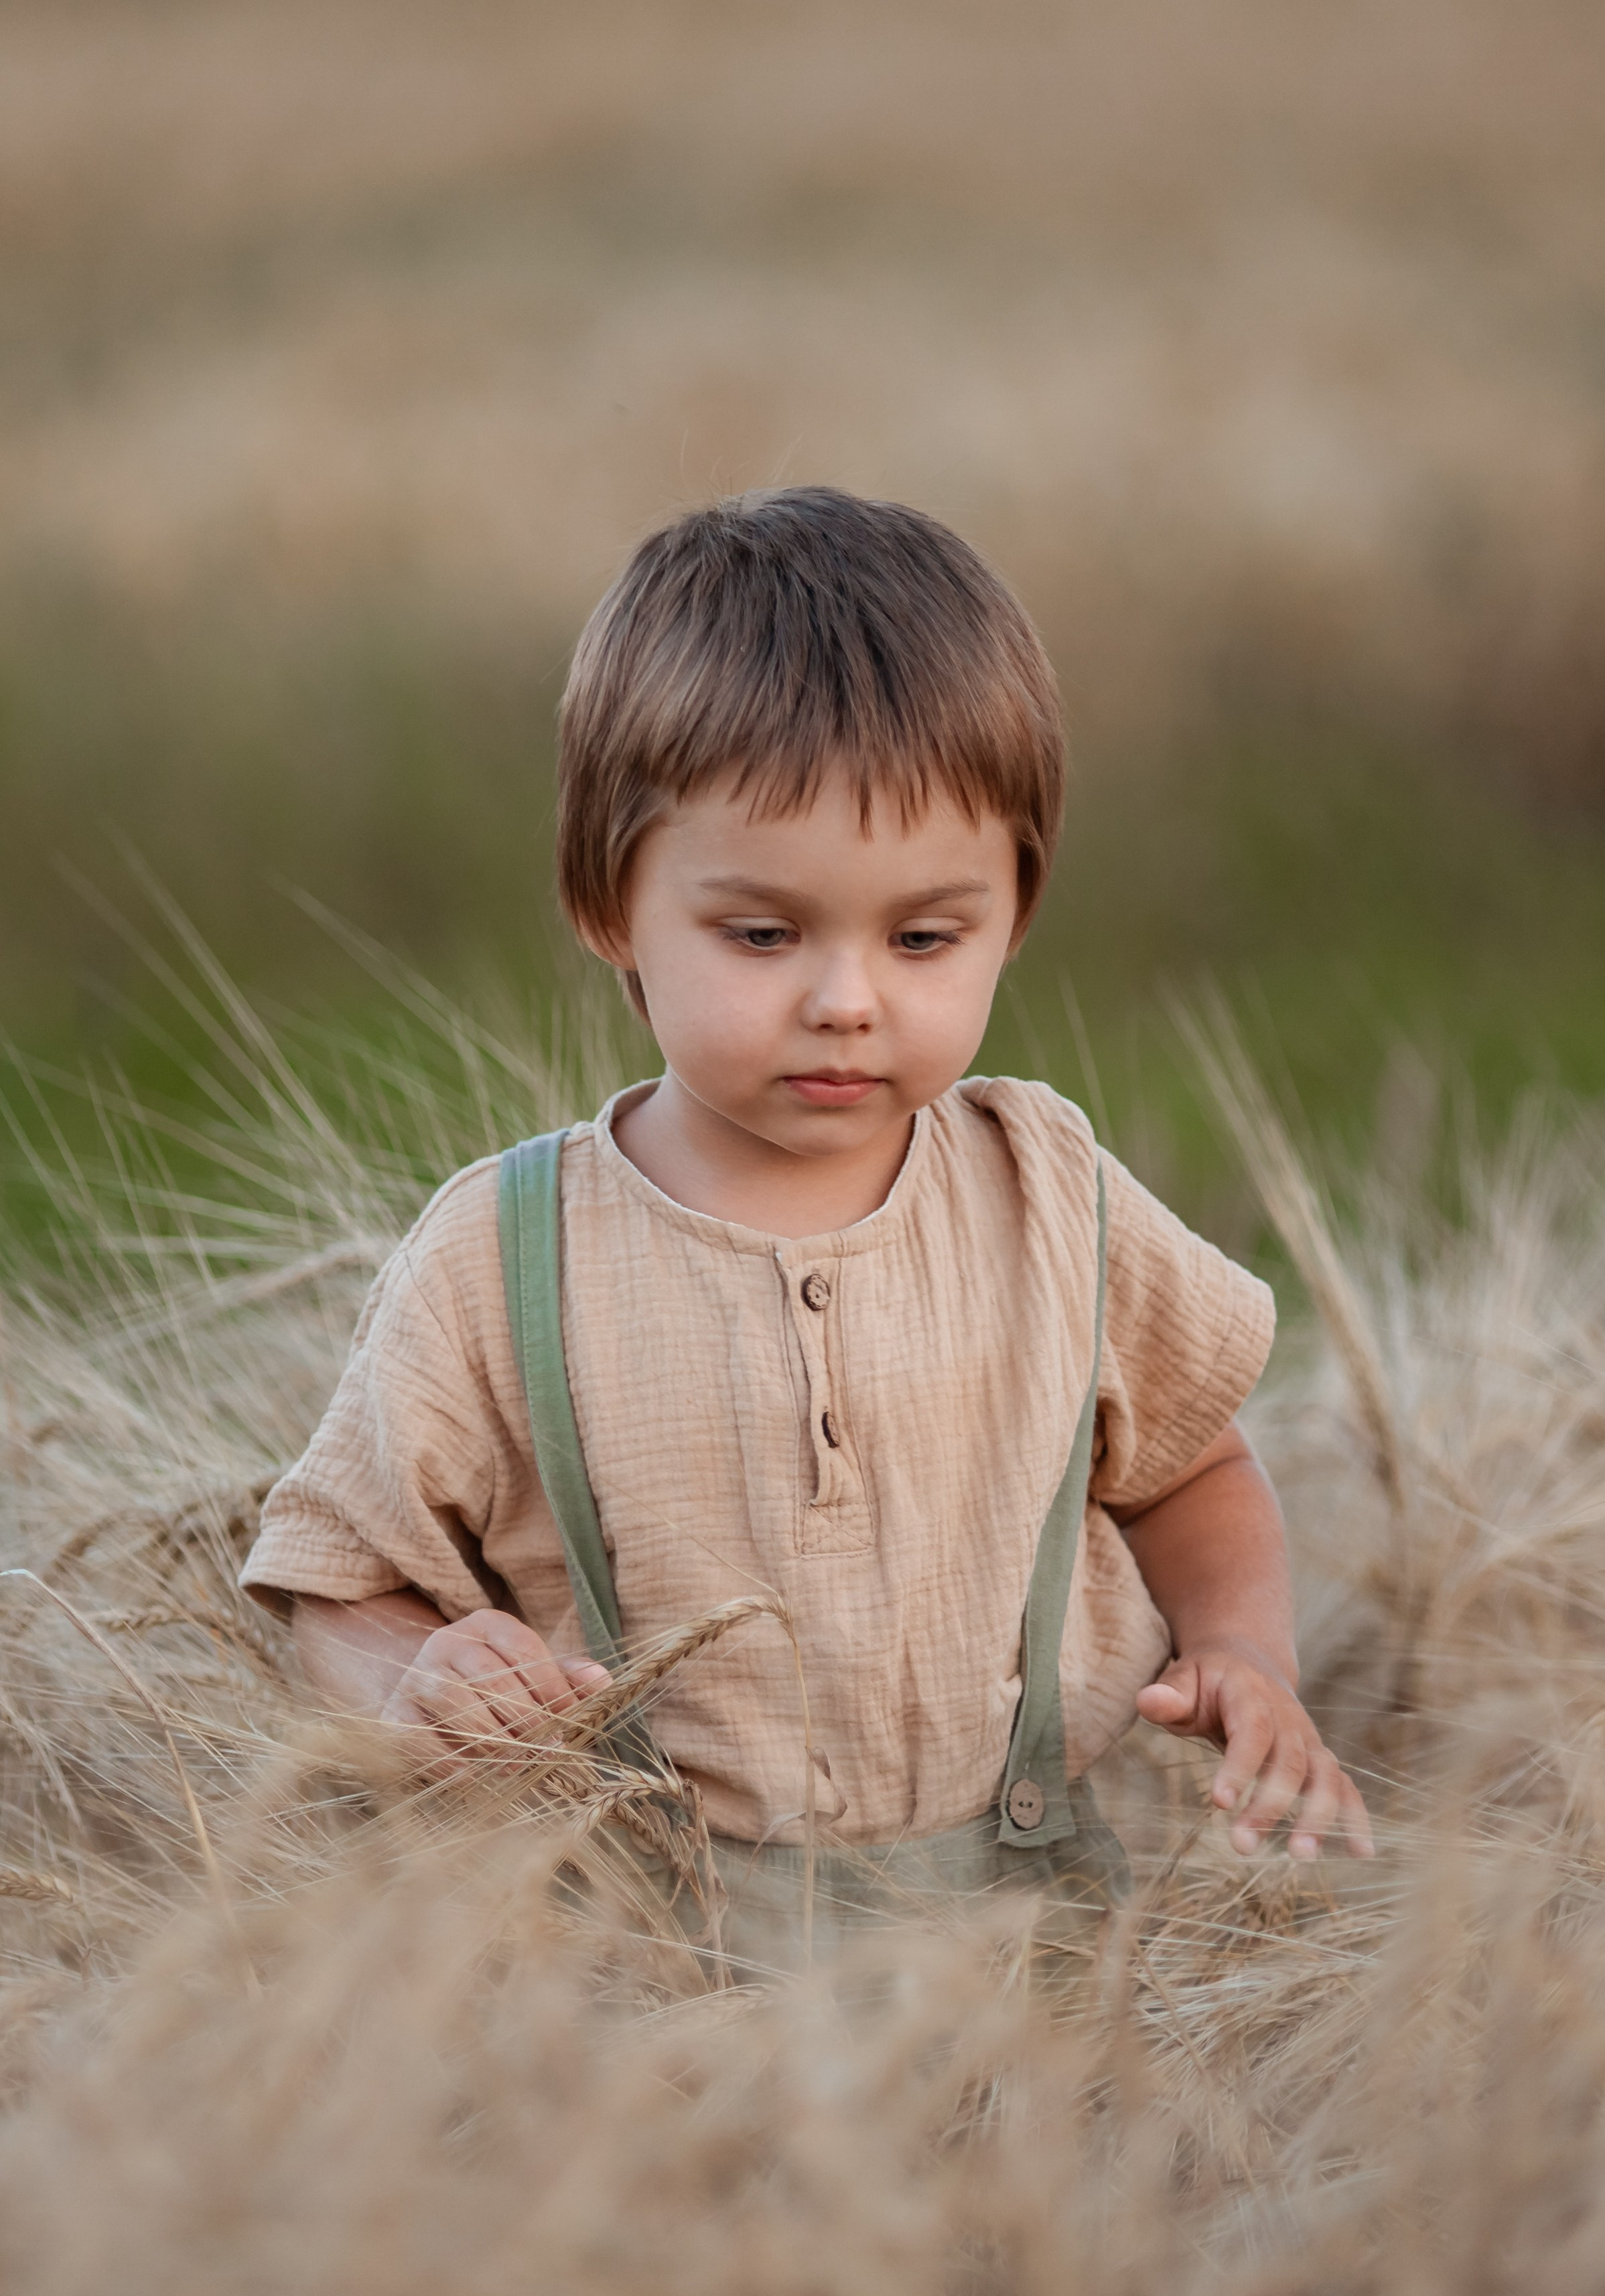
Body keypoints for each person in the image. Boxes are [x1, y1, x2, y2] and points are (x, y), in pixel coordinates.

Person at [241, 486, 1371, 1969]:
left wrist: (1240, 1653)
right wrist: (413, 1678)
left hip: (1073, 1955)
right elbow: (334, 1582)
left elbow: (1191, 1467)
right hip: (661, 1983)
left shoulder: (1050, 1192)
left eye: (924, 937)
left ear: (1015, 911)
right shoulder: (502, 1257)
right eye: (762, 935)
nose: (847, 997)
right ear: (606, 905)